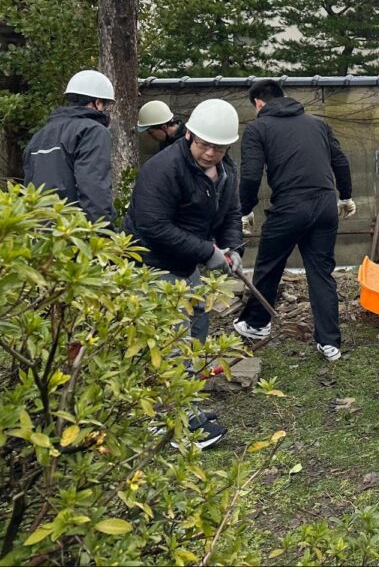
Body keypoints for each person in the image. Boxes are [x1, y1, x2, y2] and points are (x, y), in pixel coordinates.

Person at [123, 98, 244, 449]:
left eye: (219, 148)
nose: (211, 153)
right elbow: (154, 225)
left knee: (195, 330)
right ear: (189, 134)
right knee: (172, 341)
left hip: (185, 264)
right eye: (204, 145)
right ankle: (178, 423)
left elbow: (231, 212)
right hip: (152, 264)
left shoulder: (225, 171)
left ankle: (183, 404)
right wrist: (208, 253)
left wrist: (232, 247)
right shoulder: (163, 169)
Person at [234, 79, 354, 363]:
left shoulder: (258, 128)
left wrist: (244, 210)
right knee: (321, 272)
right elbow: (340, 161)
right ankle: (329, 343)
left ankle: (257, 323)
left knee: (269, 264)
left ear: (258, 104)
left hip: (290, 206)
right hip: (325, 205)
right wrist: (345, 196)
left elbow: (251, 174)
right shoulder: (318, 124)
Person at [23, 69, 116, 225]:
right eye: (106, 105)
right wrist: (102, 230)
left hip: (37, 228)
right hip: (72, 230)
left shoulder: (40, 134)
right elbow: (94, 186)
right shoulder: (93, 131)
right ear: (98, 102)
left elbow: (28, 185)